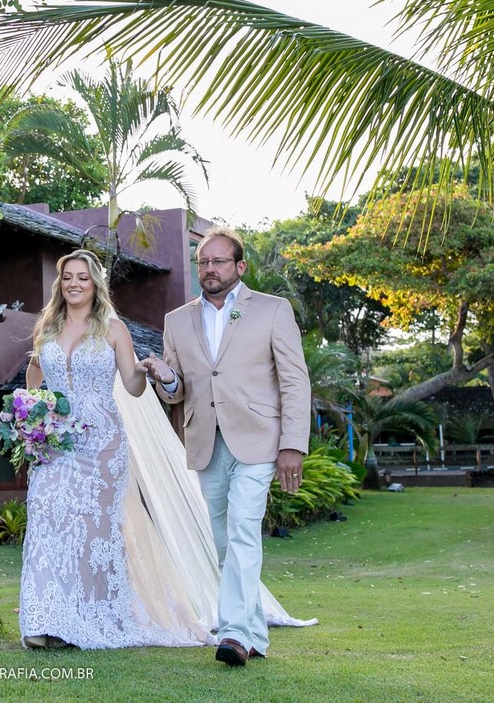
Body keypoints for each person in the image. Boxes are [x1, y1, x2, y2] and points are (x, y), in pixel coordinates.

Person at [20, 248, 312, 651]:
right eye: (67, 276)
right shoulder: (48, 328)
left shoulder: (113, 329)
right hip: (55, 444)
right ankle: (44, 618)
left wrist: (147, 373)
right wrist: (32, 415)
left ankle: (89, 621)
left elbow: (133, 386)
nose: (74, 283)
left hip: (102, 445)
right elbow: (34, 375)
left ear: (95, 284)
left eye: (82, 277)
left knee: (93, 537)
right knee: (46, 522)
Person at [139, 227, 312, 666]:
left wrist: (293, 445)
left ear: (240, 266)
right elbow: (177, 392)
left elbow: (295, 381)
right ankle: (255, 636)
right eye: (203, 262)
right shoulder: (177, 320)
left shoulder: (273, 310)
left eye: (218, 261)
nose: (209, 269)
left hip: (259, 440)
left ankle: (232, 633)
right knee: (222, 542)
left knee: (241, 530)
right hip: (205, 442)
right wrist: (166, 378)